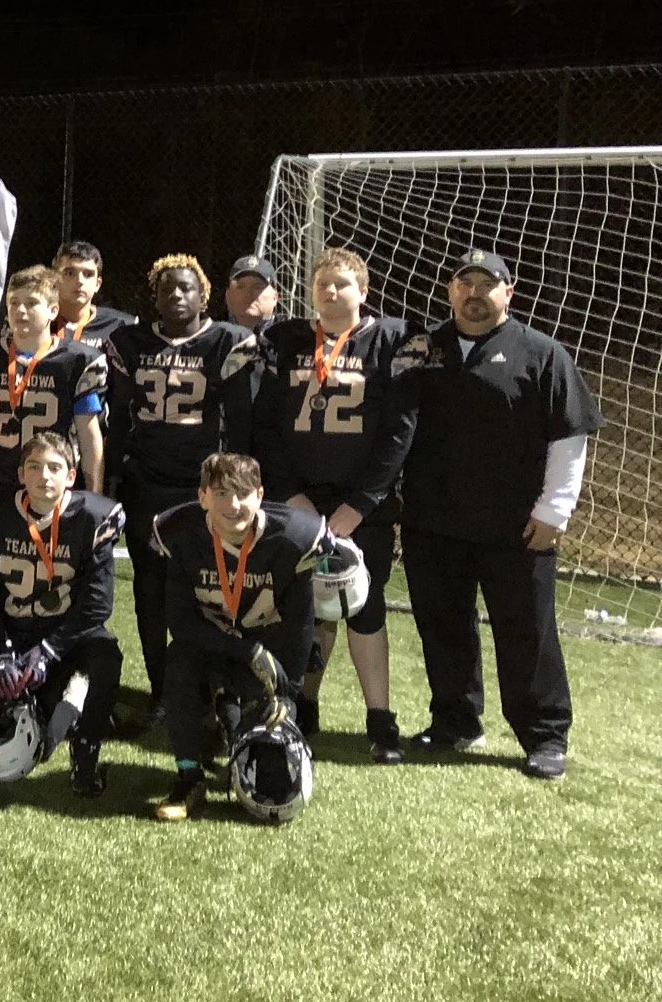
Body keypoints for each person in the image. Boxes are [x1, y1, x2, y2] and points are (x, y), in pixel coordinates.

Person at [400, 249, 604, 780]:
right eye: (464, 283)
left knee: (526, 631)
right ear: (450, 292)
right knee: (443, 627)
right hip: (433, 522)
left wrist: (556, 508)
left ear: (507, 293)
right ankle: (455, 722)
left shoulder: (541, 353)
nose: (474, 293)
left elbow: (570, 435)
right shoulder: (422, 349)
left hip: (517, 527)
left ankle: (544, 735)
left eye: (487, 284)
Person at [252, 248, 423, 763]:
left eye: (342, 285)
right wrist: (291, 495)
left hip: (358, 504)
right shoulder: (287, 341)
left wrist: (361, 504)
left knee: (362, 609)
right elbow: (268, 425)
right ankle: (303, 705)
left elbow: (400, 430)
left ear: (363, 292)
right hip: (299, 500)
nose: (331, 293)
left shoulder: (389, 340)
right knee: (306, 607)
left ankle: (380, 716)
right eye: (322, 284)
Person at [149, 452, 359, 821]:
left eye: (243, 493)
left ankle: (233, 722)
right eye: (221, 494)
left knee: (269, 756)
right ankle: (189, 776)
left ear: (260, 495)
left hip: (272, 649)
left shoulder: (295, 536)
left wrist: (287, 691)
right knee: (179, 662)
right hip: (210, 644)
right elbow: (180, 622)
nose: (233, 505)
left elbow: (300, 622)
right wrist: (245, 649)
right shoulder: (180, 533)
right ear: (202, 498)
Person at [104, 255, 258, 727]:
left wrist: (236, 486)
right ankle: (162, 691)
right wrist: (111, 481)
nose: (177, 296)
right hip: (146, 484)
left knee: (209, 591)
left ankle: (216, 689)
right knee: (149, 591)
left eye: (186, 288)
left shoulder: (226, 342)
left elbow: (241, 426)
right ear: (154, 295)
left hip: (202, 489)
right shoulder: (129, 342)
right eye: (168, 288)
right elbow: (117, 421)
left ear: (203, 294)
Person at [0, 432, 126, 797]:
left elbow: (97, 606)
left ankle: (86, 750)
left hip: (67, 633)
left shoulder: (94, 516)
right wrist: (0, 652)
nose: (44, 477)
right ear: (21, 473)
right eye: (34, 467)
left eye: (54, 468)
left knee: (106, 657)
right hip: (16, 629)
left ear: (71, 476)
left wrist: (49, 650)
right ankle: (65, 704)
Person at [0, 265, 106, 492]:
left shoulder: (76, 361)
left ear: (53, 310)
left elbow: (89, 438)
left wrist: (94, 494)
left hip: (52, 487)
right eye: (14, 303)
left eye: (32, 303)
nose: (20, 311)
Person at [53, 240, 137, 347]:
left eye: (88, 274)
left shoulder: (122, 326)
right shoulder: (38, 323)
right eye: (70, 273)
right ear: (54, 279)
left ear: (98, 284)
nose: (80, 281)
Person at [225, 254, 282, 336]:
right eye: (240, 287)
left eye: (258, 287)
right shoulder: (212, 341)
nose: (248, 294)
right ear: (227, 296)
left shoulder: (291, 339)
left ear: (275, 298)